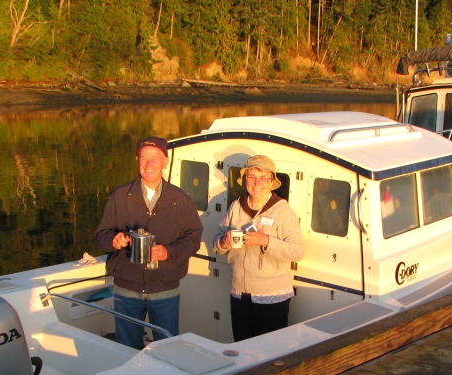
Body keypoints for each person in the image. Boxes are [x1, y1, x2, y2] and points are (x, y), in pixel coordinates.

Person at [95, 136, 203, 349]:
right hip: (126, 289)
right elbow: (101, 236)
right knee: (126, 348)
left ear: (166, 161)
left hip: (165, 289)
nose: (149, 164)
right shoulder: (120, 196)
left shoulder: (181, 199)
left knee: (168, 348)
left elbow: (193, 238)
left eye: (155, 158)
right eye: (144, 158)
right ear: (137, 160)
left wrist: (168, 252)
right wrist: (114, 240)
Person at [213, 154, 305, 341]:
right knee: (242, 348)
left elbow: (297, 251)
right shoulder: (236, 207)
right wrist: (224, 241)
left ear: (272, 182)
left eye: (264, 178)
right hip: (239, 293)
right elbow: (216, 243)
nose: (257, 183)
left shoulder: (282, 210)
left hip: (272, 297)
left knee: (269, 353)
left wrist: (266, 241)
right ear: (245, 179)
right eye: (252, 177)